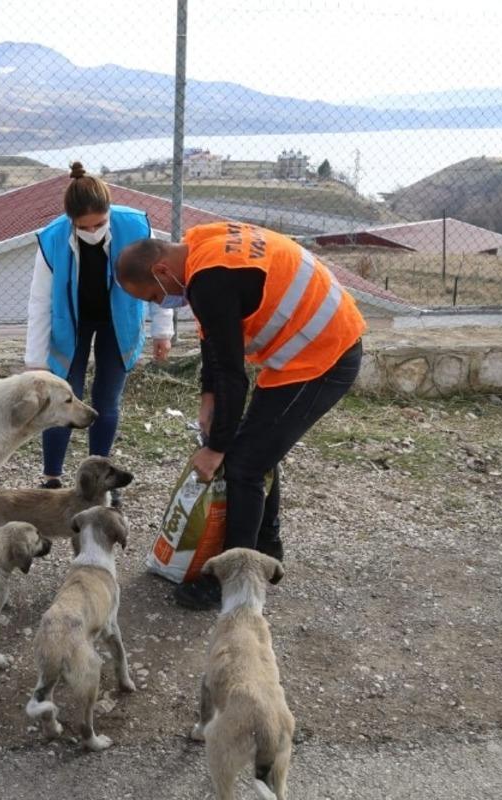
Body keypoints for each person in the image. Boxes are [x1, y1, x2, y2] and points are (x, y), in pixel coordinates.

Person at [115, 221, 365, 609]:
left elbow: (234, 375)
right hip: (307, 346)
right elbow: (215, 343)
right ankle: (266, 546)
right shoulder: (198, 245)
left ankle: (234, 577)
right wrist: (207, 396)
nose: (157, 303)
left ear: (161, 271)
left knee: (245, 462)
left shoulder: (209, 280)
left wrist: (215, 448)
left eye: (152, 295)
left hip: (324, 354)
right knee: (256, 445)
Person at [25, 163, 172, 505]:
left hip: (117, 323)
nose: (92, 231)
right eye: (84, 227)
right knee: (61, 398)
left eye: (100, 224)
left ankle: (101, 483)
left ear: (110, 212)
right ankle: (52, 480)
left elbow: (159, 279)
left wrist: (162, 330)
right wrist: (35, 361)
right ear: (71, 221)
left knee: (107, 400)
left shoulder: (135, 225)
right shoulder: (52, 240)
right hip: (70, 326)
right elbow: (39, 301)